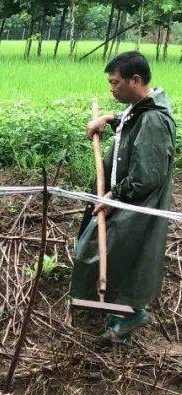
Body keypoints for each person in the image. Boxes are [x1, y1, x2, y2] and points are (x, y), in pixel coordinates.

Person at [76, 51, 176, 345]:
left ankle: (130, 316)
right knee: (117, 256)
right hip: (124, 199)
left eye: (115, 83)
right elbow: (135, 121)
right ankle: (118, 317)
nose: (112, 88)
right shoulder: (142, 110)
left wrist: (113, 196)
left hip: (135, 204)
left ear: (135, 80)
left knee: (100, 252)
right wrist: (110, 118)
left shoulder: (154, 120)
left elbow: (148, 176)